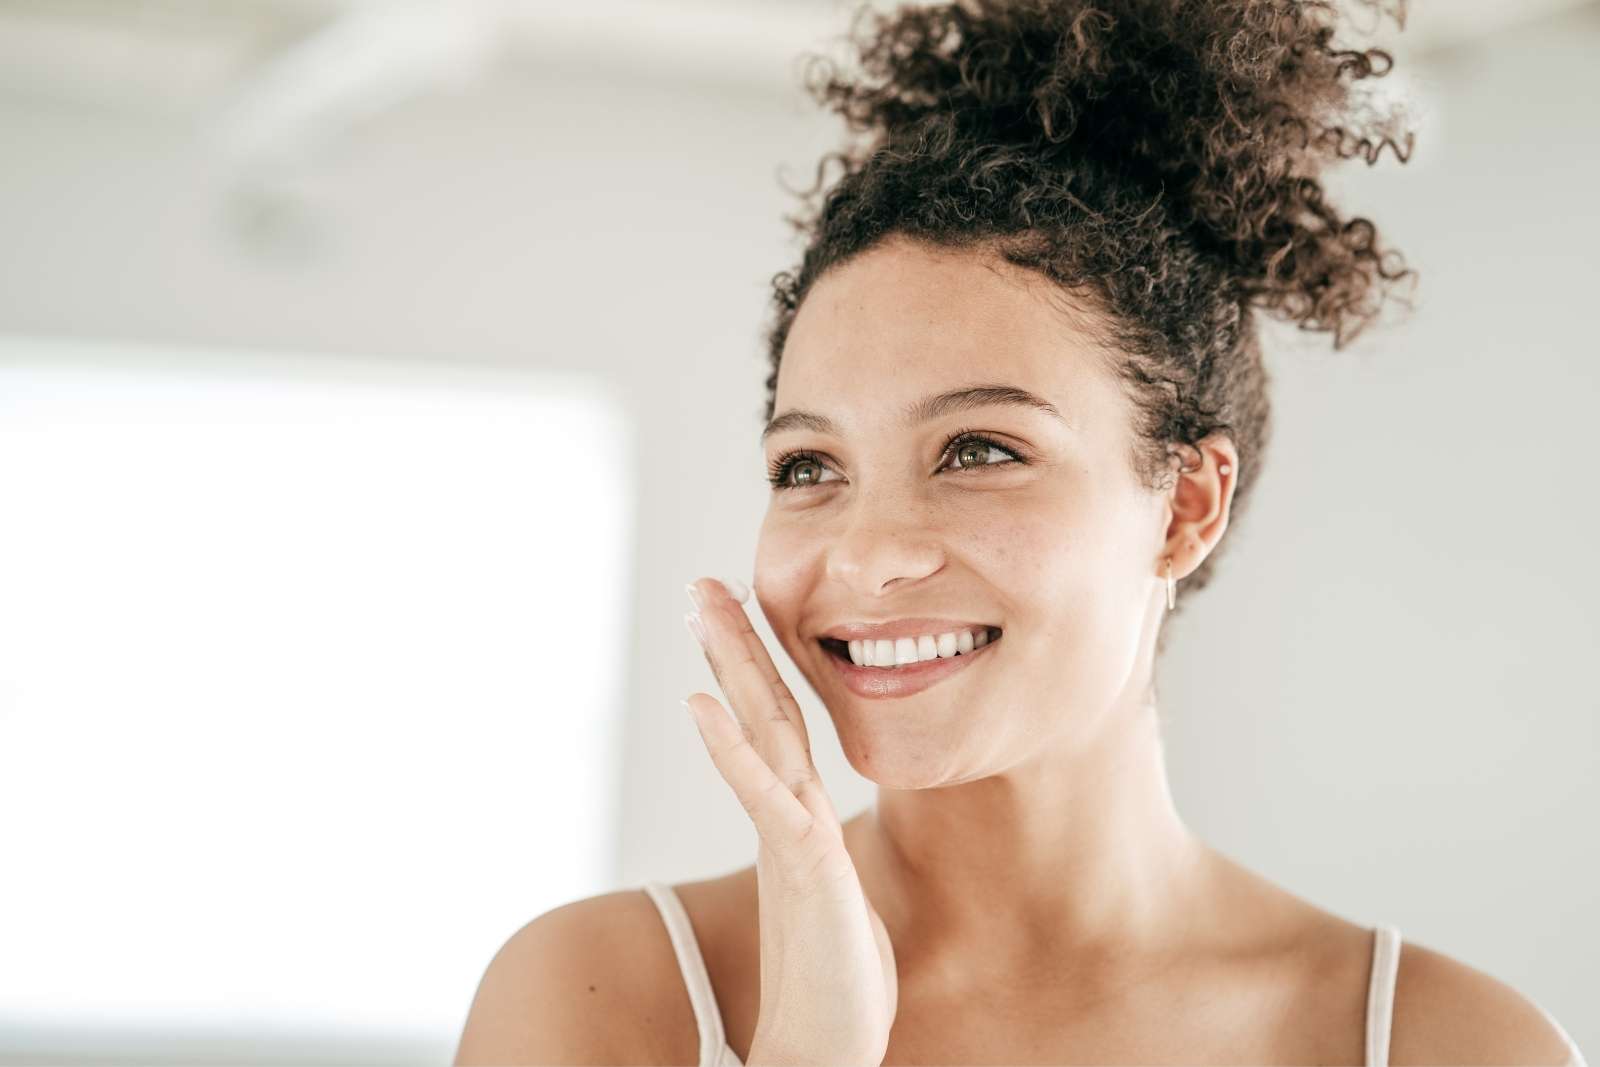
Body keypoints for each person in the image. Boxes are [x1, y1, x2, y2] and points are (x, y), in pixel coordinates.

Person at [453, 1, 1588, 1064]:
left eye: (980, 450)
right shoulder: (605, 993)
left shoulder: (1452, 1041)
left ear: (1185, 503)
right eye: (810, 466)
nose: (865, 553)